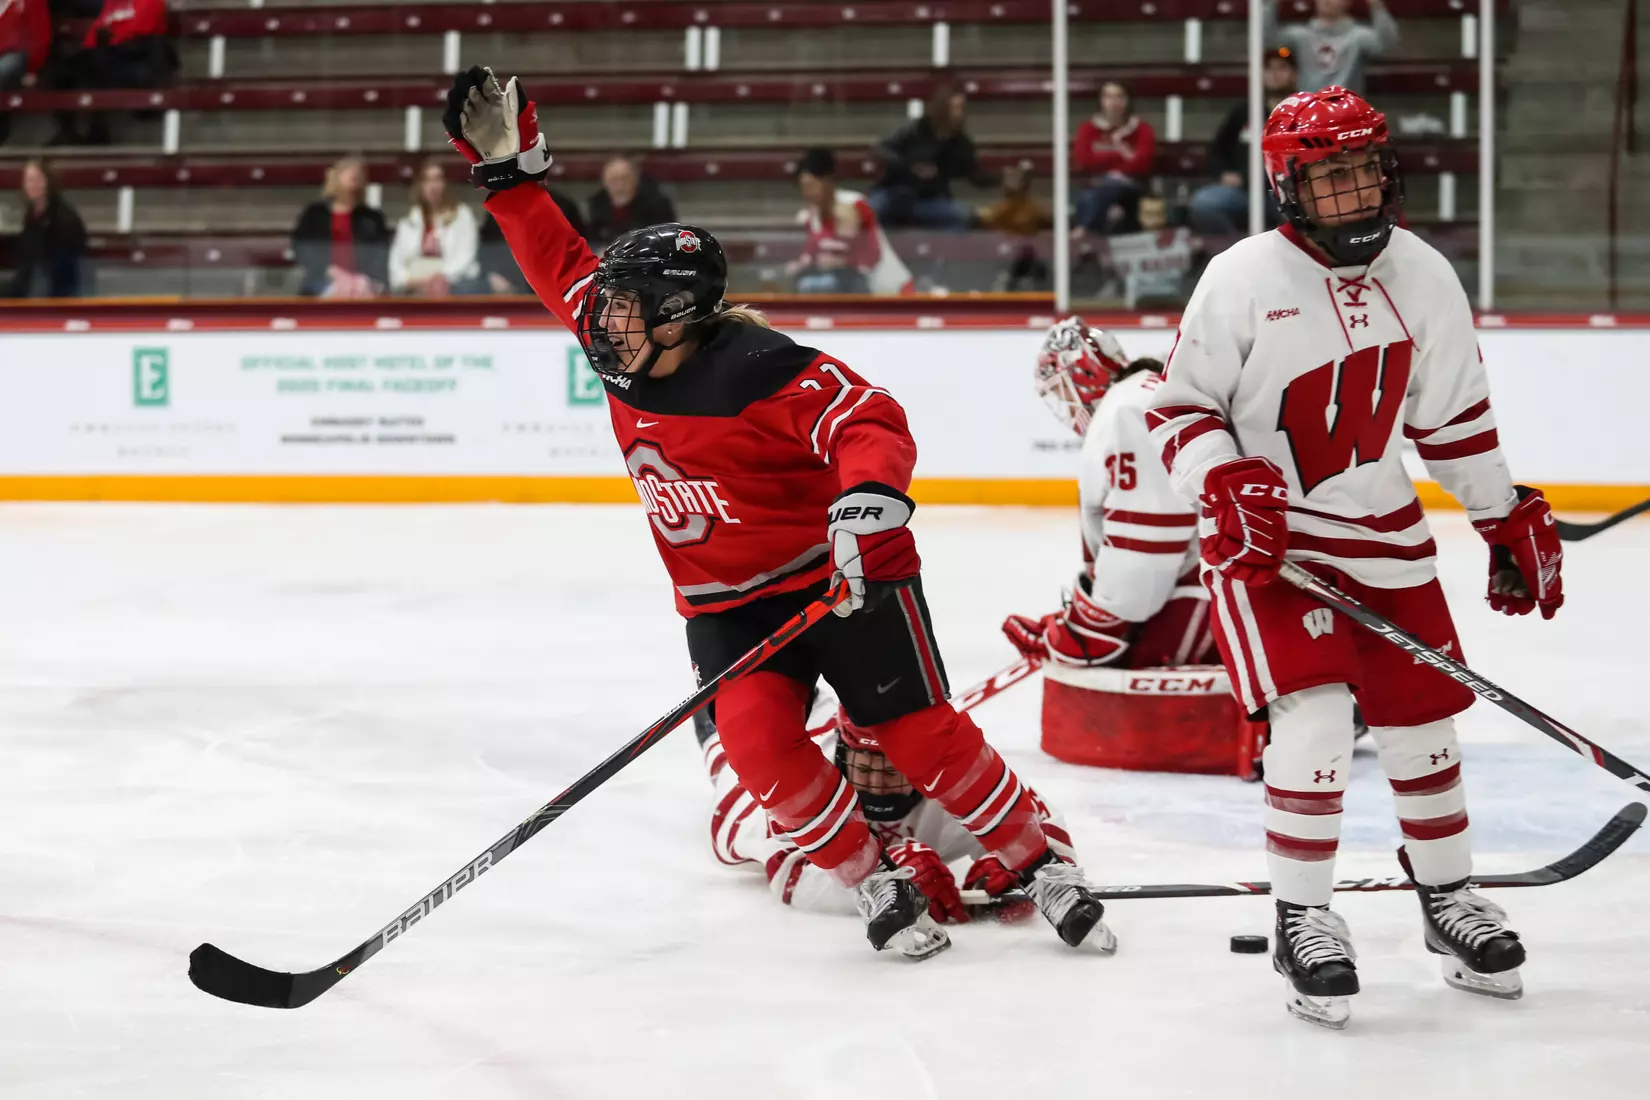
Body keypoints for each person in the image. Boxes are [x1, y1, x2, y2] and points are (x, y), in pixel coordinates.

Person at [445, 65, 1115, 960]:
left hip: (838, 580)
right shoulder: (627, 341)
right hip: (727, 606)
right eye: (605, 310)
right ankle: (874, 875)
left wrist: (861, 506)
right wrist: (509, 178)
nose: (602, 325)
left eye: (626, 312)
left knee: (920, 736)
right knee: (758, 746)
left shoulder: (755, 367)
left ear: (680, 318)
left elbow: (865, 417)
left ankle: (1040, 860)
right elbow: (557, 260)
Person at [1145, 87, 1563, 1029]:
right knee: (1317, 720)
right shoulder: (1242, 277)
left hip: (1383, 530)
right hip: (1272, 541)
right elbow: (1177, 409)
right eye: (1331, 176)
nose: (1356, 190)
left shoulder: (1424, 274)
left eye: (1366, 168)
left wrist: (1502, 514)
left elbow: (1452, 419)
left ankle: (1448, 899)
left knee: (1425, 726)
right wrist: (1221, 479)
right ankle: (1304, 915)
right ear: (1289, 186)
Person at [692, 705, 1076, 922]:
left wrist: (1015, 864)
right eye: (865, 764)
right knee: (733, 742)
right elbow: (791, 875)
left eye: (891, 767)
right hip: (744, 793)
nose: (877, 783)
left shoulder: (952, 780)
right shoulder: (798, 791)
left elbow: (1037, 822)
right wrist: (887, 877)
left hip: (834, 723)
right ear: (842, 756)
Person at [1003, 318, 1217, 671]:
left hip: (1194, 604)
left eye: (1063, 392)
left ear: (1084, 376)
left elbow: (1148, 550)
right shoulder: (1143, 393)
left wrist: (1094, 627)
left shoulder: (1127, 410)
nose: (1068, 409)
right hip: (1201, 590)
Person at [1188, 49, 1297, 236]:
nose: (1275, 74)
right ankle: (1238, 255)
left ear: (1295, 74)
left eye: (1281, 68)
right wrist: (1224, 173)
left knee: (1303, 214)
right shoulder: (1246, 110)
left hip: (1287, 194)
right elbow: (1218, 147)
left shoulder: (1302, 112)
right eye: (1269, 69)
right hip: (1243, 192)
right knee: (1204, 203)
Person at [44, 0, 177, 145]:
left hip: (135, 63)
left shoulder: (150, 3)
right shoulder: (110, 4)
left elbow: (149, 44)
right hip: (109, 56)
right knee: (61, 70)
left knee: (96, 62)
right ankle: (68, 132)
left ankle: (97, 131)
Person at [787, 146, 912, 296]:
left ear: (827, 181)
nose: (807, 193)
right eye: (803, 187)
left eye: (811, 185)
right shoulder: (811, 217)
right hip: (850, 292)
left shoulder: (853, 204)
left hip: (890, 290)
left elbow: (848, 253)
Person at [868, 85, 981, 231]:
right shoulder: (916, 129)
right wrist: (911, 167)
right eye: (956, 108)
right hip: (895, 192)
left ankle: (946, 253)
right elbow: (881, 149)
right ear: (943, 109)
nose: (960, 114)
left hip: (930, 199)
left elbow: (974, 175)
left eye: (962, 109)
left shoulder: (962, 144)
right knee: (869, 214)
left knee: (962, 217)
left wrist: (1000, 178)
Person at [290, 155, 390, 297]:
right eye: (347, 170)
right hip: (322, 281)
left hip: (362, 284)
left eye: (358, 172)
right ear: (335, 177)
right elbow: (302, 250)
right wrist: (329, 271)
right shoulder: (315, 214)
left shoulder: (372, 218)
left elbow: (379, 256)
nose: (353, 174)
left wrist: (361, 280)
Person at [1072, 81, 1156, 236]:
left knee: (1108, 189)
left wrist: (1111, 169)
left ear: (1127, 100)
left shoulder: (1142, 129)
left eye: (1119, 96)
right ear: (1101, 101)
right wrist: (1120, 157)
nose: (1113, 102)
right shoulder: (1087, 129)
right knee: (1088, 195)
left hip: (1131, 187)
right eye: (1108, 97)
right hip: (1095, 185)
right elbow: (1084, 161)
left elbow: (1143, 163)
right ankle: (1092, 231)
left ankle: (1085, 229)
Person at [1264, 0, 1398, 95]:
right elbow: (1266, 40)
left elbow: (1387, 45)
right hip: (1309, 112)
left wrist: (1377, 7)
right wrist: (1271, 4)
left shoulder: (1358, 37)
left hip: (1347, 113)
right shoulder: (1300, 36)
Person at [389, 159, 481, 296]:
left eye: (438, 179)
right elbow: (396, 262)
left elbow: (465, 258)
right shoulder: (409, 218)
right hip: (414, 286)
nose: (433, 186)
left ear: (446, 183)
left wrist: (439, 279)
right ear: (420, 186)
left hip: (453, 287)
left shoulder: (462, 215)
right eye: (427, 180)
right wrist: (409, 281)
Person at [479, 186, 587, 294]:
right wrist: (492, 274)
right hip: (510, 283)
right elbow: (487, 248)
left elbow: (579, 247)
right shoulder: (499, 206)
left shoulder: (563, 205)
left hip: (557, 283)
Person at [4, 158, 87, 297]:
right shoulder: (31, 215)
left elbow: (63, 261)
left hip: (56, 286)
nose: (32, 185)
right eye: (28, 180)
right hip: (30, 280)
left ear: (48, 182)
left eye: (37, 179)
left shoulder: (64, 216)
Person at [975, 163, 1051, 291]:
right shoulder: (1001, 208)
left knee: (1032, 256)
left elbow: (1044, 220)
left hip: (1027, 252)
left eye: (1018, 179)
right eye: (1010, 178)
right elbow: (986, 219)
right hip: (1004, 250)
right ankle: (1003, 284)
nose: (1014, 182)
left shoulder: (1032, 208)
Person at [586, 156, 677, 249]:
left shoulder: (657, 205)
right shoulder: (597, 204)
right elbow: (593, 240)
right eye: (614, 180)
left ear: (636, 180)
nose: (620, 185)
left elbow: (667, 240)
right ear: (605, 182)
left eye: (625, 179)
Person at [0, 0, 50, 145]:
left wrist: (32, 69)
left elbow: (41, 37)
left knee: (3, 69)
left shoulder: (31, 2)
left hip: (15, 54)